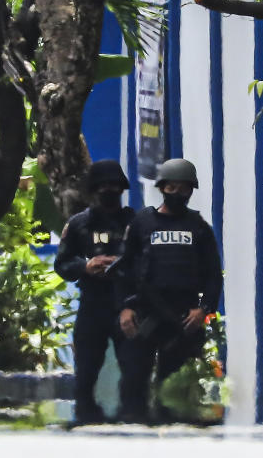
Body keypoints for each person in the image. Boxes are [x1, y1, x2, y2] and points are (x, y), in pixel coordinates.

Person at [116, 158, 223, 423]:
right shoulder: (142, 224)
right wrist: (126, 307)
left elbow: (212, 275)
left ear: (191, 191)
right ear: (162, 188)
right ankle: (133, 428)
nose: (176, 194)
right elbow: (124, 269)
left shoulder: (199, 227)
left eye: (183, 189)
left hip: (183, 316)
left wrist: (204, 310)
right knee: (134, 378)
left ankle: (170, 428)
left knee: (172, 385)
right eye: (171, 188)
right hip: (145, 312)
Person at [54, 159, 135, 424]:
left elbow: (151, 260)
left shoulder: (136, 223)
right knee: (86, 371)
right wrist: (86, 266)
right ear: (93, 189)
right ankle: (85, 419)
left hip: (128, 304)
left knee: (135, 371)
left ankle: (133, 418)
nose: (109, 191)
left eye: (114, 186)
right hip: (93, 305)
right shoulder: (79, 224)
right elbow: (62, 264)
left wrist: (123, 266)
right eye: (103, 186)